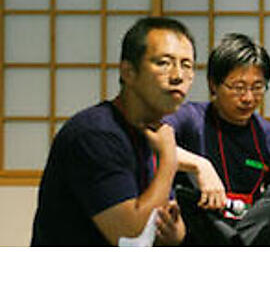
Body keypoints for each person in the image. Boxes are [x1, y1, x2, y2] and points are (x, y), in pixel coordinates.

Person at [31, 16, 193, 246]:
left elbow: (163, 216)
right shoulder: (95, 133)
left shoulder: (154, 133)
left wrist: (175, 234)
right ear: (128, 72)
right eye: (163, 63)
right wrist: (169, 160)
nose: (178, 76)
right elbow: (129, 236)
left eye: (187, 65)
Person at [165, 33, 270, 246]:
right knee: (184, 197)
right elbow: (149, 141)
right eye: (238, 87)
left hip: (245, 229)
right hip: (201, 227)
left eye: (257, 87)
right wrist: (199, 165)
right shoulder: (189, 119)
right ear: (214, 85)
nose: (248, 98)